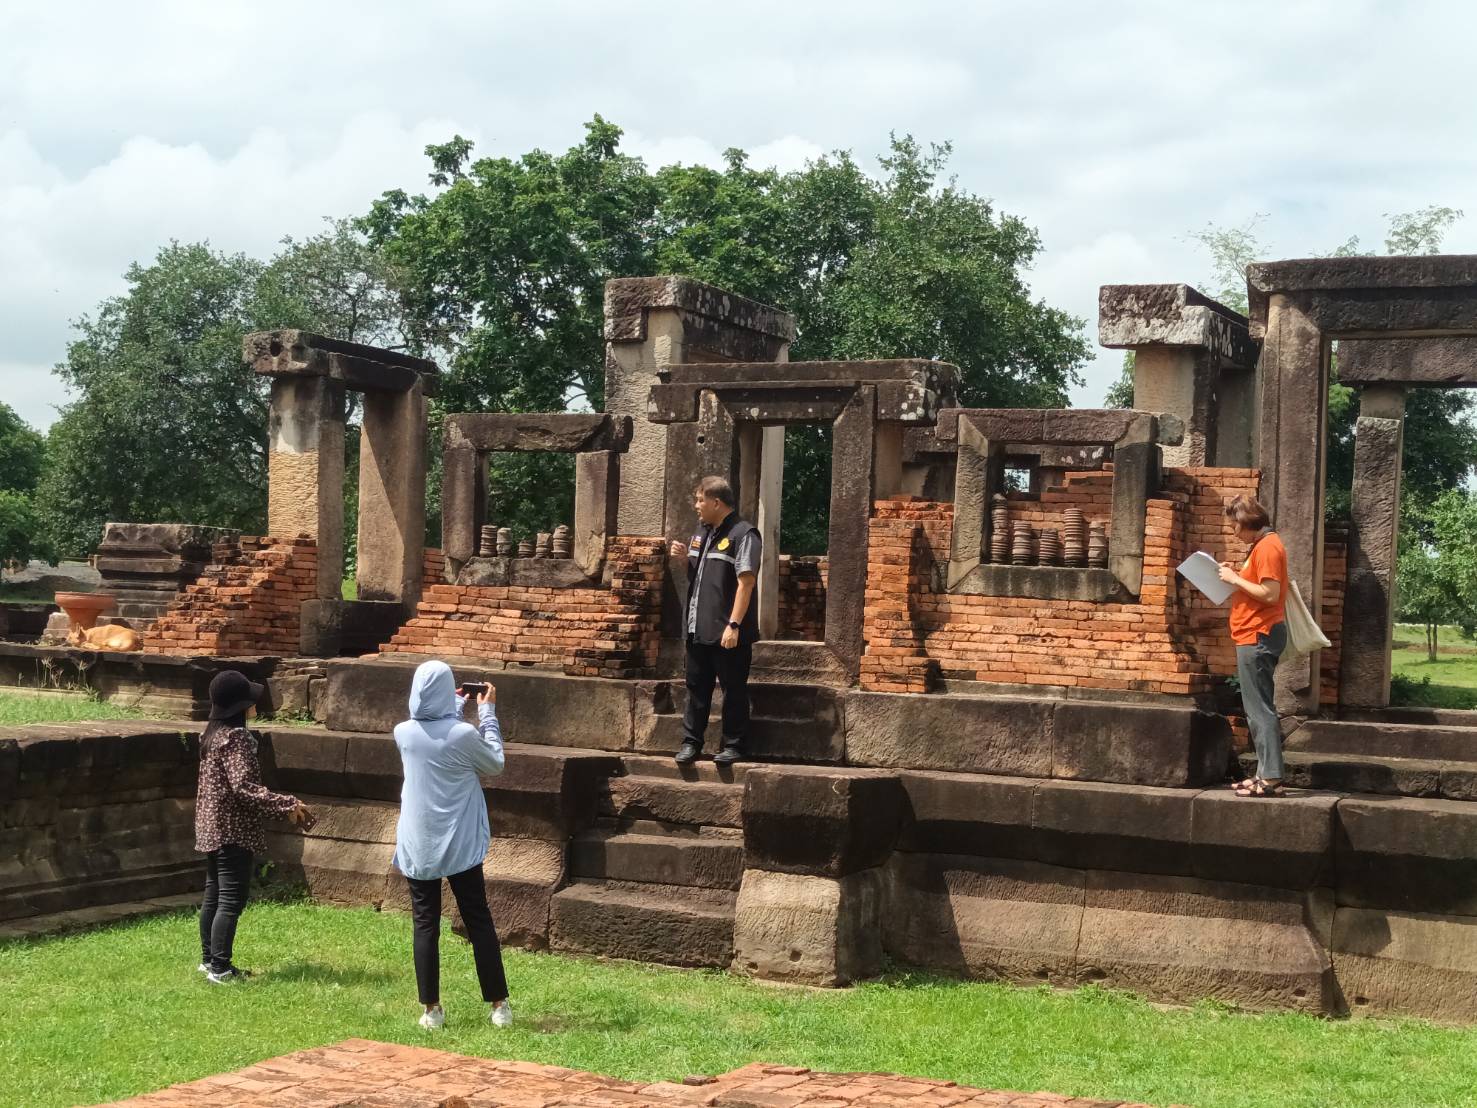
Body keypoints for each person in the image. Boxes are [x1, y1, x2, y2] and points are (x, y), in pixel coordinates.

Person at [392, 660, 512, 1030]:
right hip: (458, 841)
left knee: (424, 923)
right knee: (478, 919)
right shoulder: (463, 736)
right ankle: (498, 1005)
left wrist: (455, 706)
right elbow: (494, 763)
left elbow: (434, 732)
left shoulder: (403, 733)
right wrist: (487, 712)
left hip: (419, 842)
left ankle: (431, 1010)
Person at [194, 669, 313, 984]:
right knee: (230, 900)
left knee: (214, 895)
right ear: (240, 706)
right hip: (232, 831)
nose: (255, 703)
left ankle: (209, 961)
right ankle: (220, 967)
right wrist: (287, 804)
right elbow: (243, 787)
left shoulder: (211, 736)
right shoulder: (235, 739)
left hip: (210, 827)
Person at [667, 475, 761, 766]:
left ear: (716, 502)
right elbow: (699, 579)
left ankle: (733, 745)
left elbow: (746, 583)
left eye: (700, 499)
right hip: (697, 628)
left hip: (727, 631)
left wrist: (734, 625)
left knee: (733, 689)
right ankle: (691, 742)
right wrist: (684, 559)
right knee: (696, 687)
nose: (696, 506)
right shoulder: (702, 532)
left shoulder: (744, 534)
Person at [1218, 494, 1290, 798]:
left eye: (1235, 526)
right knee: (1255, 707)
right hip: (1252, 633)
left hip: (1258, 633)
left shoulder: (1270, 547)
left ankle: (1271, 778)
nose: (1234, 533)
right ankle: (1263, 772)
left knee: (1260, 709)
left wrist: (1234, 578)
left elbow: (1270, 594)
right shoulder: (1261, 546)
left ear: (1247, 523)